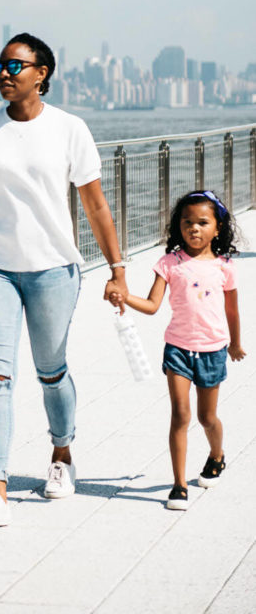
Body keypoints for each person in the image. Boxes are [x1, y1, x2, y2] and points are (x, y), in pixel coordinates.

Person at [0, 32, 128, 528]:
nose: (4, 72)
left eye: (15, 65)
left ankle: (62, 456)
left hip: (54, 271)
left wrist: (117, 270)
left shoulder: (70, 129)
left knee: (50, 371)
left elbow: (96, 204)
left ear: (42, 73)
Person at [110, 190, 246, 511]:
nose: (194, 228)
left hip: (212, 350)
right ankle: (179, 484)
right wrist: (124, 297)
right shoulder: (169, 263)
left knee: (207, 417)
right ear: (178, 226)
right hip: (178, 350)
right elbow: (153, 305)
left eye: (202, 222)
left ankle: (216, 455)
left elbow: (233, 311)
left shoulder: (225, 267)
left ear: (217, 228)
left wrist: (236, 343)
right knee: (181, 415)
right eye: (187, 222)